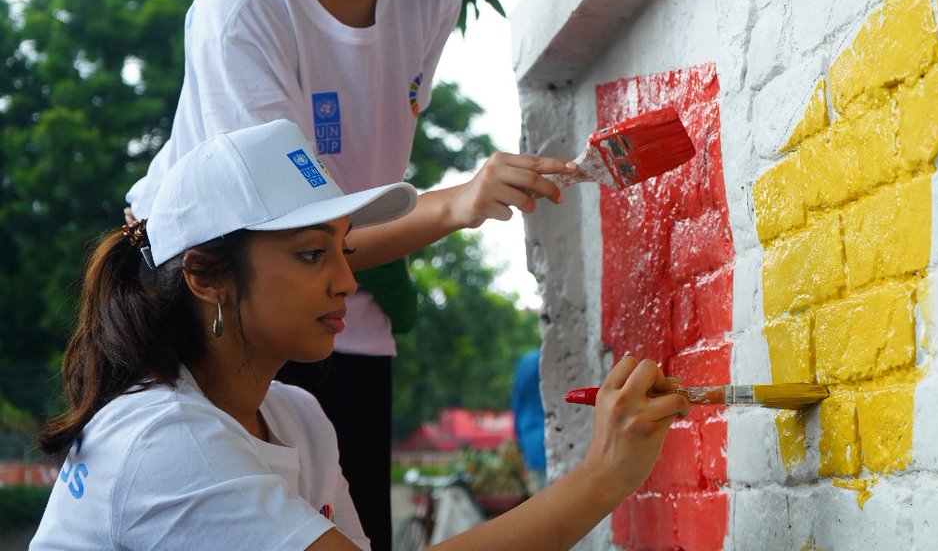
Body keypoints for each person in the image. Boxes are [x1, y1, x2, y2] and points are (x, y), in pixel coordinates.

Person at [123, 0, 577, 548]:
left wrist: (414, 223)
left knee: (348, 512)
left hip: (343, 286)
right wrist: (458, 204)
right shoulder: (239, 14)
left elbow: (344, 204)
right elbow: (276, 232)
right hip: (222, 290)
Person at [32, 120, 688, 551]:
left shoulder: (296, 417)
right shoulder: (163, 441)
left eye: (343, 251)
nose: (348, 281)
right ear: (207, 275)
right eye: (313, 256)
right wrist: (601, 478)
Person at [511, 348, 548, 491]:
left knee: (539, 494)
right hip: (554, 432)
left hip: (529, 438)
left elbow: (516, 406)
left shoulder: (524, 364)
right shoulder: (547, 360)